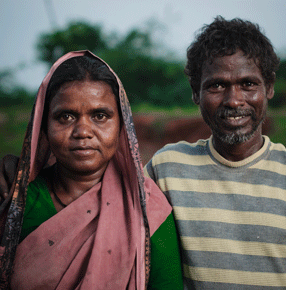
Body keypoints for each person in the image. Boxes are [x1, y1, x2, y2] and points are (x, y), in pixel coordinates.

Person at [0, 51, 183, 289]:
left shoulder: (149, 210)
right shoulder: (15, 200)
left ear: (122, 128)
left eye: (100, 115)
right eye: (65, 116)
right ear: (43, 127)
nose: (83, 131)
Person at [145, 16, 286, 289]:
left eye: (248, 84)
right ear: (195, 93)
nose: (234, 100)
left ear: (268, 87)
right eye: (217, 85)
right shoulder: (166, 169)